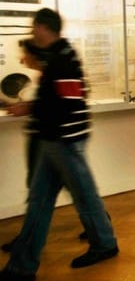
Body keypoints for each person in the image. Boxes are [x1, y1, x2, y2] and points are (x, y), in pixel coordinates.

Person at [0, 8, 119, 281]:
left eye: (34, 27)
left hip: (64, 140)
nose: (32, 32)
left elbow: (68, 101)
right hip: (57, 140)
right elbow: (69, 97)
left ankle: (103, 244)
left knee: (81, 197)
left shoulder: (62, 58)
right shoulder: (59, 57)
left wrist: (29, 107)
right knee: (43, 202)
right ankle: (22, 267)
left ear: (44, 28)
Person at [2, 39, 92, 253]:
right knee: (60, 190)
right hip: (51, 138)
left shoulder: (56, 70)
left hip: (56, 139)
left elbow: (68, 100)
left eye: (25, 54)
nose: (22, 59)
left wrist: (29, 109)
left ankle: (101, 236)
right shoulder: (46, 75)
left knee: (51, 192)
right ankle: (101, 235)